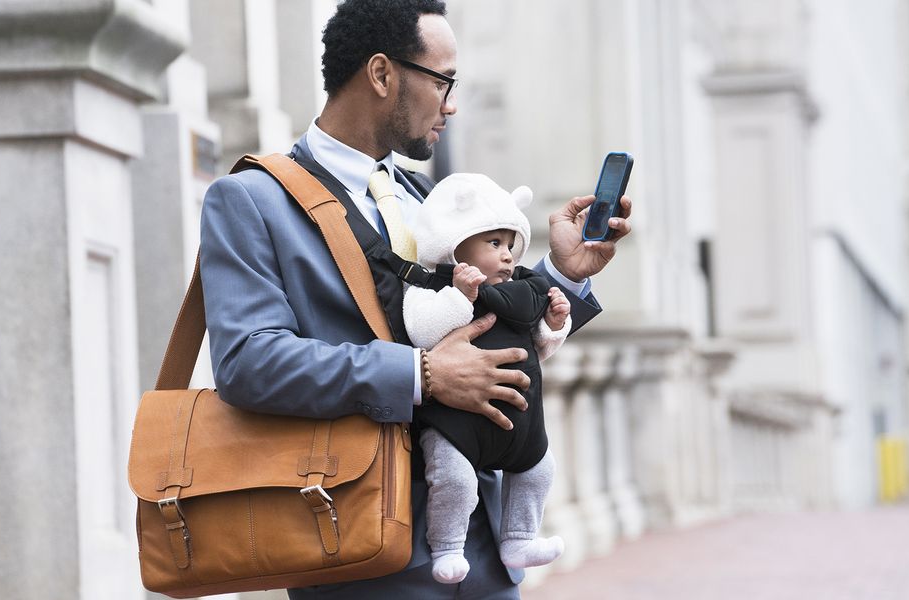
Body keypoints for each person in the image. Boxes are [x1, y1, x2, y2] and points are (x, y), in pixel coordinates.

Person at [198, 0, 632, 597]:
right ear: (382, 74)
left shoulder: (429, 198)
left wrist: (561, 273)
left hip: (484, 546)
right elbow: (249, 363)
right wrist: (421, 375)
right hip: (355, 550)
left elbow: (488, 321)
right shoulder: (251, 199)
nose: (451, 104)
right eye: (443, 81)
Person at [402, 173, 570, 584]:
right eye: (494, 244)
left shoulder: (519, 292)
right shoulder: (431, 286)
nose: (508, 256)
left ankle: (519, 537)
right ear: (455, 244)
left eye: (510, 245)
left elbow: (537, 348)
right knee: (454, 479)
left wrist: (554, 323)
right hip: (455, 424)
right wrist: (460, 297)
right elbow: (422, 332)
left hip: (518, 424)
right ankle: (446, 547)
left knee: (540, 470)